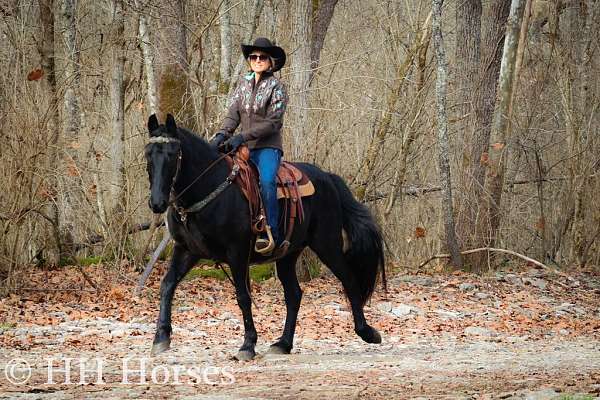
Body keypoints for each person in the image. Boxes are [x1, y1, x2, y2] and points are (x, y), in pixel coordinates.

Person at [210, 37, 288, 255]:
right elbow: (232, 115)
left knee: (267, 181)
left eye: (262, 57)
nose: (257, 60)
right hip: (242, 146)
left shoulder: (277, 88)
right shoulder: (242, 85)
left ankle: (270, 232)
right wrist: (221, 135)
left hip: (267, 147)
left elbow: (274, 122)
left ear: (271, 61)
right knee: (222, 178)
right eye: (253, 56)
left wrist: (242, 136)